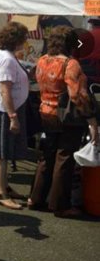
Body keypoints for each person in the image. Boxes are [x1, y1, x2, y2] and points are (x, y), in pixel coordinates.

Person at [29, 26, 98, 218]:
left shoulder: (42, 60)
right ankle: (59, 205)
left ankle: (36, 198)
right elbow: (77, 95)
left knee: (47, 155)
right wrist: (91, 118)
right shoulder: (71, 63)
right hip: (67, 117)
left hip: (45, 112)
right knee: (64, 158)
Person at [0, 22, 30, 210]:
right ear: (17, 40)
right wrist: (13, 116)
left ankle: (4, 187)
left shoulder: (4, 55)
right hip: (5, 110)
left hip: (5, 108)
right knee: (2, 153)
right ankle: (0, 193)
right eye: (24, 38)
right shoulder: (7, 59)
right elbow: (5, 90)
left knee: (4, 151)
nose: (26, 42)